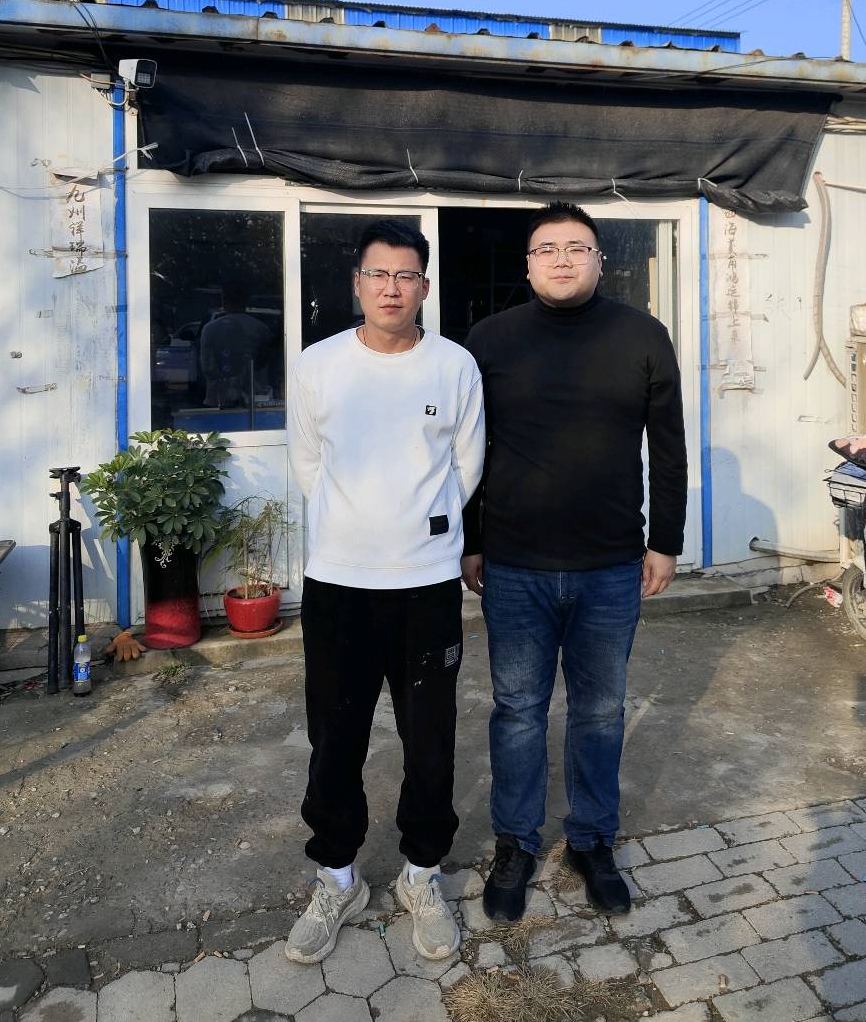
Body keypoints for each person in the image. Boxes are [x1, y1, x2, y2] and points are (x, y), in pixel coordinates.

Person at [463, 201, 687, 920]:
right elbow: (465, 453)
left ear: (599, 259)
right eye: (547, 249)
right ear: (528, 265)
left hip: (610, 565)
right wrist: (470, 540)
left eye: (576, 247)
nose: (562, 259)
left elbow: (669, 448)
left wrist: (666, 541)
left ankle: (591, 840)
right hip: (515, 564)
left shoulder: (642, 336)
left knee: (599, 710)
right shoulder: (490, 340)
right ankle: (516, 843)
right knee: (518, 711)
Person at [286, 219, 485, 966]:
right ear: (358, 284)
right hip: (339, 583)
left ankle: (421, 874)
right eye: (379, 274)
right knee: (335, 738)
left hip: (425, 585)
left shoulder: (454, 366)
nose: (392, 288)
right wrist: (354, 527)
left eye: (406, 275)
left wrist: (418, 530)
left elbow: (466, 467)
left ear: (424, 287)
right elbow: (308, 464)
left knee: (429, 741)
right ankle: (337, 878)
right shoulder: (319, 365)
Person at [199, 282, 271, 408]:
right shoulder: (261, 328)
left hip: (218, 400)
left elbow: (207, 367)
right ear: (246, 301)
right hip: (254, 399)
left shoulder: (210, 329)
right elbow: (265, 365)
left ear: (223, 301)